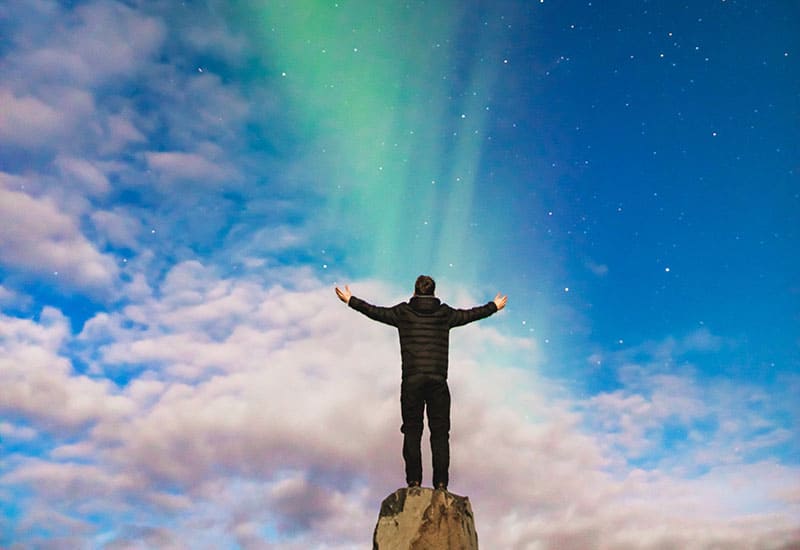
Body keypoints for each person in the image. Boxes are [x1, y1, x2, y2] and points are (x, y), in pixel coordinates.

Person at [335, 275, 507, 490]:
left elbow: (375, 311)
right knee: (440, 434)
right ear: (433, 292)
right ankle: (441, 484)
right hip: (437, 381)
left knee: (412, 431)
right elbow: (470, 314)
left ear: (414, 291)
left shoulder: (403, 313)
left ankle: (414, 481)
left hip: (412, 381)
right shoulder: (445, 314)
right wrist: (493, 306)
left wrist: (351, 300)